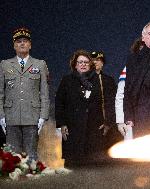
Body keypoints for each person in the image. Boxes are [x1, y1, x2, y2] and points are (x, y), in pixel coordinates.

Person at [0, 27, 50, 161]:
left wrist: (43, 116)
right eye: (19, 41)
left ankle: (32, 182)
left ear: (30, 45)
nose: (22, 43)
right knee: (11, 157)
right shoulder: (4, 65)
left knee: (31, 157)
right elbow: (1, 93)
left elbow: (44, 92)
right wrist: (1, 116)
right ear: (14, 45)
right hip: (11, 116)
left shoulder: (40, 64)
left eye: (25, 41)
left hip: (32, 116)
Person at [55, 50, 113, 164]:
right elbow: (59, 103)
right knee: (73, 166)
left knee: (94, 167)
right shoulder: (67, 80)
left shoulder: (99, 80)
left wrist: (108, 122)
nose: (83, 64)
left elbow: (108, 102)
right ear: (75, 65)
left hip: (94, 130)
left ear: (90, 65)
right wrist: (62, 124)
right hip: (73, 130)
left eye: (86, 62)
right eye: (80, 62)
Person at [115, 37, 145, 139]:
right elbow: (120, 95)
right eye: (141, 49)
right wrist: (120, 121)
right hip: (132, 120)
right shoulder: (128, 68)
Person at [91, 51, 120, 147]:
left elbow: (114, 102)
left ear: (102, 63)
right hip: (92, 125)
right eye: (93, 60)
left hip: (109, 123)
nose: (95, 62)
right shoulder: (84, 80)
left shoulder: (109, 80)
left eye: (98, 60)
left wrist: (108, 122)